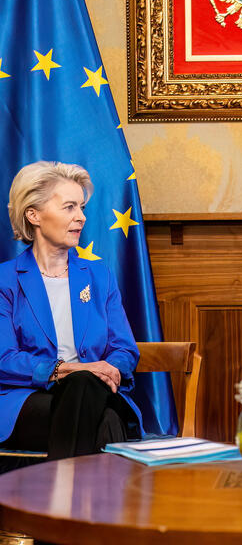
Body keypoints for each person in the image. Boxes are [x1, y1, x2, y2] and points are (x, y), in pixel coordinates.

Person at [0, 161, 142, 467]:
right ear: (34, 215)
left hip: (96, 391)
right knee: (105, 421)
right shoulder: (5, 281)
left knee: (85, 387)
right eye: (69, 207)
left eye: (82, 207)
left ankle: (62, 491)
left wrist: (108, 369)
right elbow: (4, 359)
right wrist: (69, 370)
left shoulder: (99, 276)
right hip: (28, 401)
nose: (81, 217)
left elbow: (125, 349)